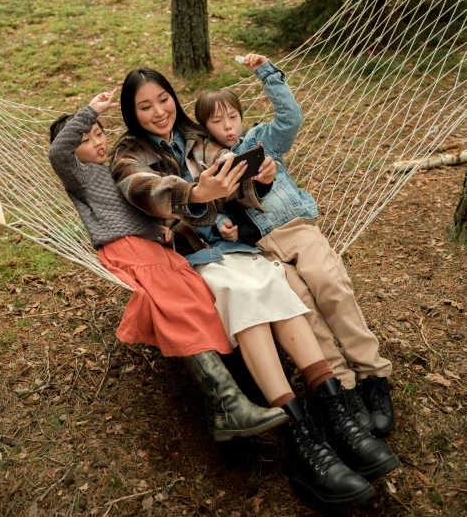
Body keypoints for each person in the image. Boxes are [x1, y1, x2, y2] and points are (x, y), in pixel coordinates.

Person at [110, 68, 400, 509]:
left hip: (235, 247)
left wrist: (255, 181)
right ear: (132, 114)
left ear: (174, 98)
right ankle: (303, 445)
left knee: (274, 283)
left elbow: (234, 178)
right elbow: (143, 188)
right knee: (244, 295)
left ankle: (339, 417)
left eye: (163, 99)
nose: (158, 112)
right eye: (144, 106)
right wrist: (195, 192)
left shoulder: (195, 137)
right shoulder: (129, 151)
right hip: (189, 256)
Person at [48, 90, 290, 443]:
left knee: (197, 294)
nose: (97, 142)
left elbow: (131, 210)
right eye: (85, 140)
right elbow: (58, 152)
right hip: (127, 250)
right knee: (175, 305)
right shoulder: (77, 172)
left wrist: (157, 227)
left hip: (151, 246)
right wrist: (91, 111)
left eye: (100, 133)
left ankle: (237, 390)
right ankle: (227, 404)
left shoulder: (106, 173)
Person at [194, 53, 396, 439]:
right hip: (263, 251)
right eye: (216, 121)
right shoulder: (212, 165)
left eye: (231, 116)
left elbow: (291, 119)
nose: (227, 126)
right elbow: (213, 211)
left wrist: (266, 74)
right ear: (205, 127)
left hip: (296, 228)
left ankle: (372, 373)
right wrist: (225, 224)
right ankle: (344, 387)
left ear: (240, 115)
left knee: (330, 285)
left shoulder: (259, 140)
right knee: (301, 306)